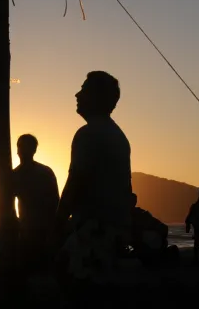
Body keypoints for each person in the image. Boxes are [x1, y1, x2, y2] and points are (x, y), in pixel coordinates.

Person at [56, 71, 133, 303]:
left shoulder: (88, 134)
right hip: (110, 227)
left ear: (99, 97)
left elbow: (76, 181)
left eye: (84, 89)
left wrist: (58, 222)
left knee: (81, 289)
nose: (77, 94)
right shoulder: (117, 135)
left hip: (95, 230)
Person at [12, 133, 59, 273]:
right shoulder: (17, 174)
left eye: (23, 147)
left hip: (40, 227)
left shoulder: (43, 172)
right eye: (20, 146)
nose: (21, 150)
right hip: (29, 227)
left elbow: (55, 200)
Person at [129, 193, 173, 267]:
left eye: (134, 200)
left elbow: (160, 225)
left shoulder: (140, 212)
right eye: (132, 200)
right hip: (138, 239)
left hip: (143, 239)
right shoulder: (132, 213)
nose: (134, 202)